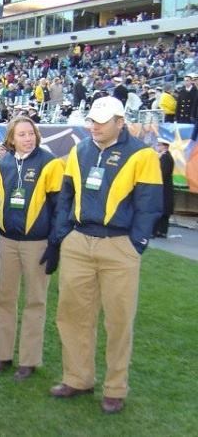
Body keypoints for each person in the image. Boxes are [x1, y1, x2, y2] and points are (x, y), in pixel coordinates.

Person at [50, 96, 162, 414]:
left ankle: (115, 388)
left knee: (118, 320)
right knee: (72, 315)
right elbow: (66, 196)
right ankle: (77, 377)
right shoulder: (79, 150)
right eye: (92, 120)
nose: (94, 125)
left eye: (102, 120)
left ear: (120, 122)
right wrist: (62, 237)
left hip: (119, 245)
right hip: (79, 242)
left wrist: (134, 244)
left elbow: (149, 204)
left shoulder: (142, 154)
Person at [0, 116, 64, 380]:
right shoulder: (2, 164)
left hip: (37, 243)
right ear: (11, 138)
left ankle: (28, 359)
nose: (28, 138)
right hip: (7, 242)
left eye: (31, 133)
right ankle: (2, 354)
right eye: (22, 134)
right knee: (3, 298)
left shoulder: (49, 163)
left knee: (35, 301)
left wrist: (55, 244)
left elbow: (59, 207)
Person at [152, 138, 174, 238]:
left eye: (159, 145)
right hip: (165, 187)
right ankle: (162, 231)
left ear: (164, 146)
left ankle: (157, 231)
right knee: (164, 210)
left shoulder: (165, 158)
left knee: (162, 209)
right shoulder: (166, 157)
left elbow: (162, 173)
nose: (158, 147)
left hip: (163, 187)